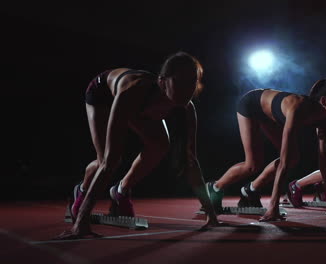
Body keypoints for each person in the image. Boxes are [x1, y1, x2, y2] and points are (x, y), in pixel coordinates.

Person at [56, 52, 219, 239]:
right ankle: (82, 190)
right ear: (162, 81)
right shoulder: (131, 92)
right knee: (108, 159)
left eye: (193, 82)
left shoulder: (187, 108)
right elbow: (109, 162)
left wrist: (211, 216)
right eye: (180, 82)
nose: (187, 89)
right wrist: (81, 223)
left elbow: (192, 162)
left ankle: (121, 190)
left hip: (141, 105)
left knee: (159, 146)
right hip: (104, 95)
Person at [205, 79, 326, 221]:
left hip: (271, 113)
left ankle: (251, 189)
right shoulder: (298, 108)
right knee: (253, 165)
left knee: (293, 158)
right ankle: (215, 187)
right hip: (252, 104)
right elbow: (284, 163)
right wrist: (273, 207)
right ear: (324, 101)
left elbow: (324, 163)